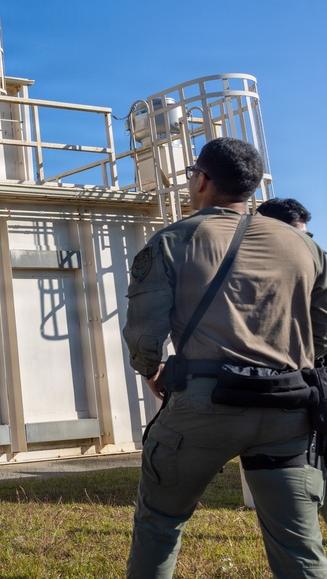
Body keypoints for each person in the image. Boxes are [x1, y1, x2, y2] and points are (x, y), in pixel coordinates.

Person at [124, 138, 327, 578]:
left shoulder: (173, 239)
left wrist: (154, 373)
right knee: (299, 545)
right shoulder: (305, 247)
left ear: (202, 180)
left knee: (160, 522)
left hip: (204, 404)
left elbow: (144, 334)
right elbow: (322, 329)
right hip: (287, 409)